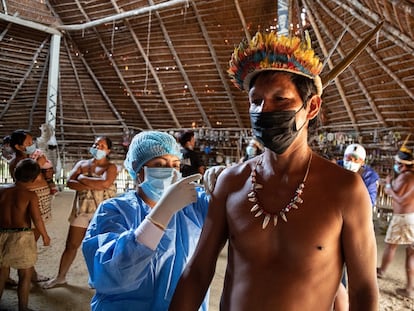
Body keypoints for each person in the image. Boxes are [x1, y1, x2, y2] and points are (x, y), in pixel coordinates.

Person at [170, 31, 378, 310]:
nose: (264, 110)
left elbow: (363, 289)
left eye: (280, 100)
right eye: (256, 101)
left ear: (312, 107)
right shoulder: (232, 183)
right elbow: (197, 273)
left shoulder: (345, 190)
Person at [82, 131, 210, 311]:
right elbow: (112, 273)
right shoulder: (114, 210)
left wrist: (224, 182)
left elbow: (237, 212)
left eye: (175, 165)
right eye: (160, 164)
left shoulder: (192, 206)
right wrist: (163, 212)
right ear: (137, 168)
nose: (171, 172)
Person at [43, 136, 118, 289]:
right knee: (71, 244)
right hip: (82, 210)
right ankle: (60, 277)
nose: (97, 147)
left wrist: (82, 178)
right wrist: (94, 184)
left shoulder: (111, 167)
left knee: (102, 247)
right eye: (96, 144)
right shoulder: (82, 164)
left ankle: (101, 280)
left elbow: (105, 183)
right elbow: (70, 182)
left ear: (108, 150)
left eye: (102, 145)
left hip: (103, 213)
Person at [0, 158, 51, 311]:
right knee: (25, 274)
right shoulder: (30, 195)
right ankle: (23, 308)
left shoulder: (2, 190)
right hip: (21, 237)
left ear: (15, 173)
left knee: (2, 271)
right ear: (36, 178)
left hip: (1, 234)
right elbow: (37, 219)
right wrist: (45, 236)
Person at [9, 129, 53, 283]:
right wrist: (37, 165)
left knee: (31, 240)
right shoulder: (17, 163)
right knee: (29, 242)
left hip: (41, 201)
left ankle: (27, 271)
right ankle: (28, 272)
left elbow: (43, 176)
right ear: (18, 146)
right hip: (32, 204)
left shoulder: (30, 158)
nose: (31, 145)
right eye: (28, 143)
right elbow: (26, 181)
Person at [377, 140, 414, 298]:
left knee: (390, 246)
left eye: (397, 163)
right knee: (411, 252)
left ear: (403, 164)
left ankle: (382, 271)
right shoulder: (409, 176)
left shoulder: (407, 178)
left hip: (403, 218)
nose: (396, 165)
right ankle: (410, 288)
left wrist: (388, 187)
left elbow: (401, 200)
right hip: (411, 217)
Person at [338, 143, 379, 209]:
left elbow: (369, 203)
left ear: (362, 162)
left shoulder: (369, 177)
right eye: (348, 158)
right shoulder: (336, 166)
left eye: (356, 159)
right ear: (343, 158)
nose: (351, 162)